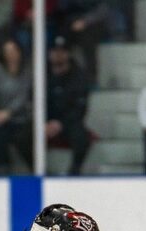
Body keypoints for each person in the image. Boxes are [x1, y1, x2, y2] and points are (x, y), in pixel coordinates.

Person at [0, 39, 32, 175]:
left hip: (20, 117)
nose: (10, 54)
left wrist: (7, 113)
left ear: (19, 52)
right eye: (7, 51)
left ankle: (32, 170)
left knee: (18, 134)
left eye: (13, 51)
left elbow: (23, 97)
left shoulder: (26, 72)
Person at [46, 36, 92, 176]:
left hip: (69, 123)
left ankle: (74, 172)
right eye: (55, 51)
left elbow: (80, 108)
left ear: (68, 53)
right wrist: (44, 122)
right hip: (46, 122)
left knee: (82, 137)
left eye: (62, 51)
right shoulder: (42, 73)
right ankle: (39, 171)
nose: (58, 55)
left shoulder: (79, 76)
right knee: (23, 135)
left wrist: (61, 124)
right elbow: (33, 99)